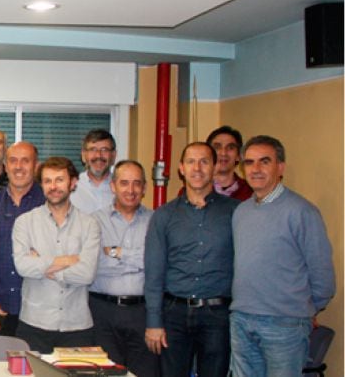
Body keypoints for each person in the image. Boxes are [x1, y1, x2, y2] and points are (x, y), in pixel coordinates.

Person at [229, 135, 335, 377]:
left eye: (264, 162)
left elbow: (322, 274)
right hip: (242, 320)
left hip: (285, 325)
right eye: (249, 162)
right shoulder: (241, 212)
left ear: (280, 167)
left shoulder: (302, 212)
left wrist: (304, 310)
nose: (255, 169)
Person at [144, 142, 239, 377]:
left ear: (215, 167)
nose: (197, 168)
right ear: (181, 169)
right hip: (174, 313)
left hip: (218, 316)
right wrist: (154, 322)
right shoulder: (164, 215)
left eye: (204, 161)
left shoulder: (236, 212)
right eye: (191, 162)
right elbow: (154, 273)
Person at [12, 156, 100, 353]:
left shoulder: (89, 224)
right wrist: (68, 261)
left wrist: (44, 267)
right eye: (47, 181)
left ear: (73, 183)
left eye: (59, 180)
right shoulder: (25, 222)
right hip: (34, 324)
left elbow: (87, 274)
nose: (53, 186)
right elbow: (22, 266)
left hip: (76, 326)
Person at [89, 160, 159, 377]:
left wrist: (116, 252)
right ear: (113, 186)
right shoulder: (94, 222)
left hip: (143, 312)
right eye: (124, 183)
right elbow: (95, 265)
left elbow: (156, 263)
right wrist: (139, 261)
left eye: (137, 184)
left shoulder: (156, 220)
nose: (131, 190)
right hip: (102, 311)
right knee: (105, 373)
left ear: (145, 188)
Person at [0, 141, 45, 336]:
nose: (19, 167)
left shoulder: (48, 205)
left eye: (25, 161)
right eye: (13, 161)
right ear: (5, 166)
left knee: (36, 365)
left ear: (36, 166)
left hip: (39, 309)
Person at [70, 129, 117, 214]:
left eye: (104, 150)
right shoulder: (70, 187)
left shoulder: (123, 188)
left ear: (113, 156)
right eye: (93, 149)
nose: (98, 155)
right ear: (84, 155)